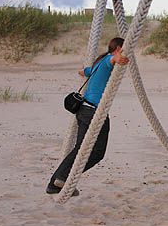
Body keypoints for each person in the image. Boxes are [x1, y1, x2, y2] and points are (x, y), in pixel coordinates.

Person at [46, 37, 130, 195]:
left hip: (83, 110)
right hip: (94, 113)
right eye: (124, 49)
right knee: (97, 153)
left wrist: (81, 71)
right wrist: (118, 58)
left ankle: (55, 183)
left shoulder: (99, 62)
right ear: (118, 48)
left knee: (79, 148)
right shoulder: (108, 61)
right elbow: (113, 60)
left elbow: (87, 71)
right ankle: (66, 177)